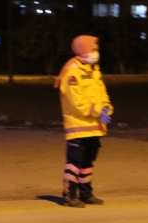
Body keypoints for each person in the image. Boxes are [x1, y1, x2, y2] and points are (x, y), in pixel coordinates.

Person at [54, 35, 113, 208]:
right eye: (93, 49)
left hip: (94, 127)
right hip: (78, 127)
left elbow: (103, 94)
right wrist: (98, 111)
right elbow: (77, 102)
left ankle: (86, 194)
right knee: (74, 163)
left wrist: (107, 108)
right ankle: (69, 195)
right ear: (82, 49)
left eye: (96, 50)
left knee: (87, 163)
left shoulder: (93, 70)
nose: (96, 53)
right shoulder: (72, 73)